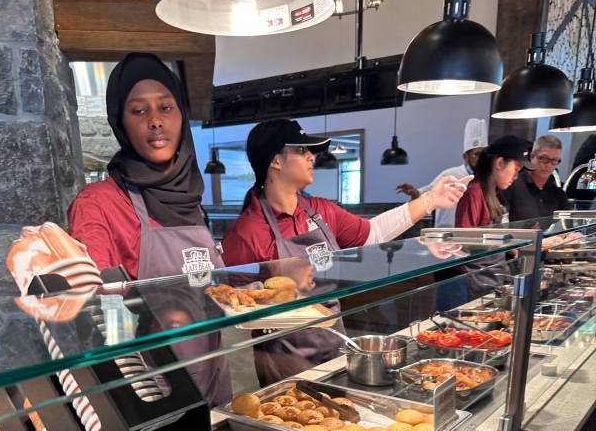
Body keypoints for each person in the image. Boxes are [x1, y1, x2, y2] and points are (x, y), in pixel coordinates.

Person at [221, 118, 470, 385]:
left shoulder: (321, 210)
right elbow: (235, 307)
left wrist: (430, 200)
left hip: (334, 341)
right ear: (275, 161)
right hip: (285, 355)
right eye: (301, 150)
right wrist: (281, 287)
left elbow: (374, 232)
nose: (311, 157)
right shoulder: (246, 233)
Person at [67, 52, 231, 408]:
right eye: (139, 110)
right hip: (150, 386)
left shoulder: (190, 197)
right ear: (121, 123)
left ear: (182, 115)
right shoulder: (98, 204)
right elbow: (97, 310)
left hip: (212, 366)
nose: (156, 121)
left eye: (166, 107)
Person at [434, 135, 537, 309]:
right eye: (516, 168)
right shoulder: (474, 192)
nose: (516, 176)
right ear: (500, 163)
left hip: (489, 276)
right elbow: (465, 242)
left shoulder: (496, 193)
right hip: (467, 282)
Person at [396, 118, 488, 227]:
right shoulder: (450, 175)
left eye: (483, 154)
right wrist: (414, 192)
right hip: (445, 232)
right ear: (465, 157)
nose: (481, 159)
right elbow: (429, 192)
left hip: (474, 232)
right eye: (476, 154)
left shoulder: (487, 179)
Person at [501, 135, 568, 220]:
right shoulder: (510, 185)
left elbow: (562, 225)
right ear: (532, 156)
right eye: (544, 159)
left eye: (554, 160)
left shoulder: (559, 195)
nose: (548, 165)